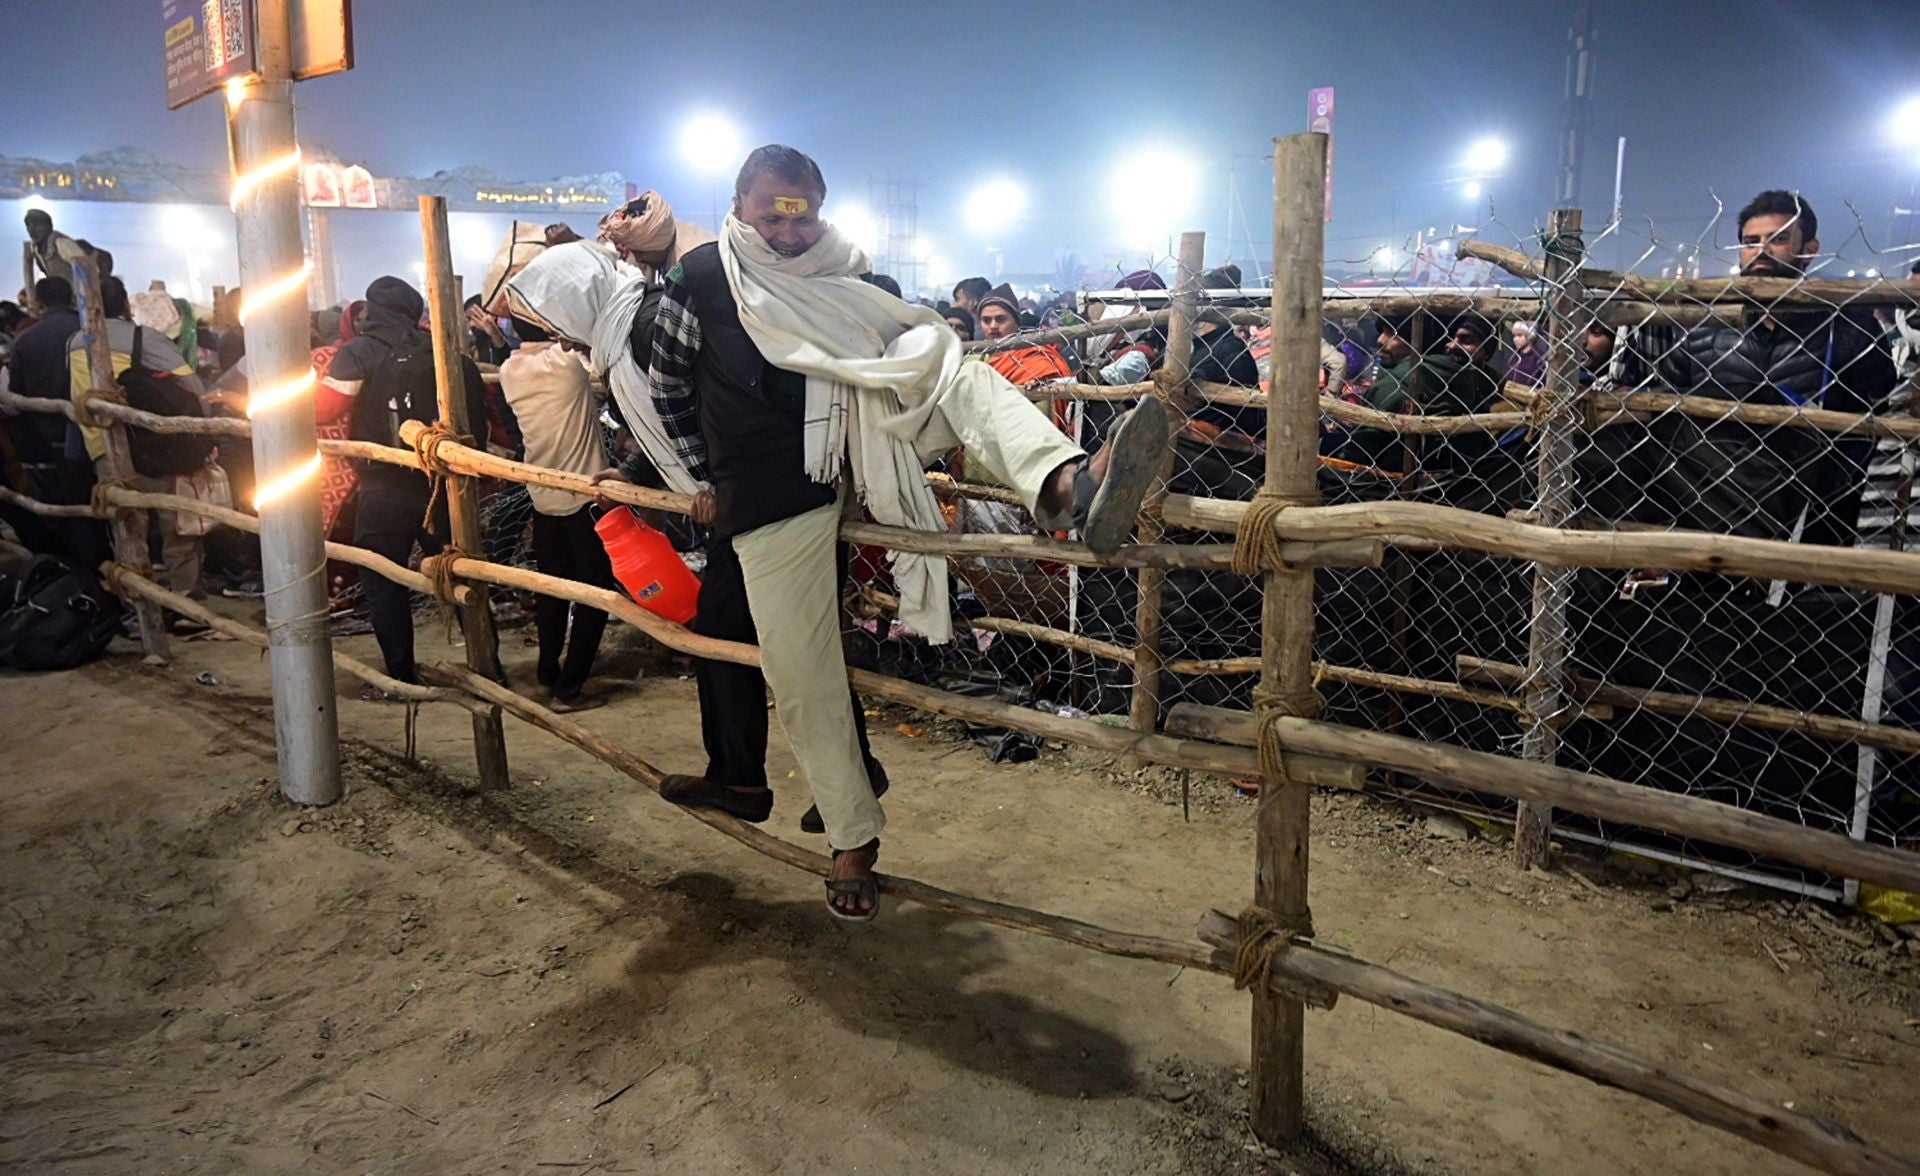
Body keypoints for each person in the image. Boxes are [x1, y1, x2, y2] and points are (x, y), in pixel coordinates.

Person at [619, 144, 1165, 920]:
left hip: (871, 440)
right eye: (772, 207)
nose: (788, 227)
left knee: (954, 368)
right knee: (803, 672)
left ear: (821, 207)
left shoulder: (849, 271)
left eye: (802, 210)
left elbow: (892, 350)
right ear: (739, 202)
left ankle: (1068, 483)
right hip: (773, 487)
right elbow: (667, 384)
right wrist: (702, 480)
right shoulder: (701, 279)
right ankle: (852, 834)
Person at [1651, 189, 1896, 547]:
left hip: (1808, 519)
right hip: (1703, 513)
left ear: (1810, 249)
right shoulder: (1704, 325)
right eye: (1751, 242)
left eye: (1778, 239)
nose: (1761, 250)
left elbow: (1867, 430)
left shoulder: (1847, 329)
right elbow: (1666, 404)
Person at [317, 276, 492, 687]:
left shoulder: (359, 351)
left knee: (382, 577)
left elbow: (324, 410)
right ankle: (489, 668)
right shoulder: (438, 351)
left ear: (370, 311)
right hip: (443, 486)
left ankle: (402, 673)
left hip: (384, 485)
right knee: (461, 573)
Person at [494, 313, 620, 711]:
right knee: (595, 593)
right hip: (585, 497)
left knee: (552, 590)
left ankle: (548, 671)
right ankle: (570, 689)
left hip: (543, 498)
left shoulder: (509, 369)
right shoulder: (569, 364)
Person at [67, 275, 210, 612]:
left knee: (127, 528)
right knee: (176, 525)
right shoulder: (141, 337)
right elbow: (194, 387)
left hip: (98, 446)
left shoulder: (73, 340)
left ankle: (137, 605)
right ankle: (185, 602)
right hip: (146, 447)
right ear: (126, 305)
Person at [2, 276, 100, 563]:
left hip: (51, 440)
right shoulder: (92, 332)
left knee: (70, 512)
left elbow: (16, 396)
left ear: (39, 303)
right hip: (102, 433)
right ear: (72, 298)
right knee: (107, 503)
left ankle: (78, 571)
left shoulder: (25, 340)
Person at [976, 284, 1073, 386]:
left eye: (1000, 319)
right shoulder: (975, 360)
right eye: (986, 320)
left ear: (1016, 322)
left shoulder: (1036, 360)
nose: (993, 326)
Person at [24, 210, 87, 286]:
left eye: (37, 225)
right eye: (28, 226)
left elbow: (87, 269)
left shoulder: (62, 243)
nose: (32, 231)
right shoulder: (35, 248)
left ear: (49, 227)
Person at [1508, 320, 1545, 387]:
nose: (1515, 339)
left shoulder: (1538, 356)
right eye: (1514, 336)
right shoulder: (1514, 357)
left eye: (1519, 335)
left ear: (1530, 336)